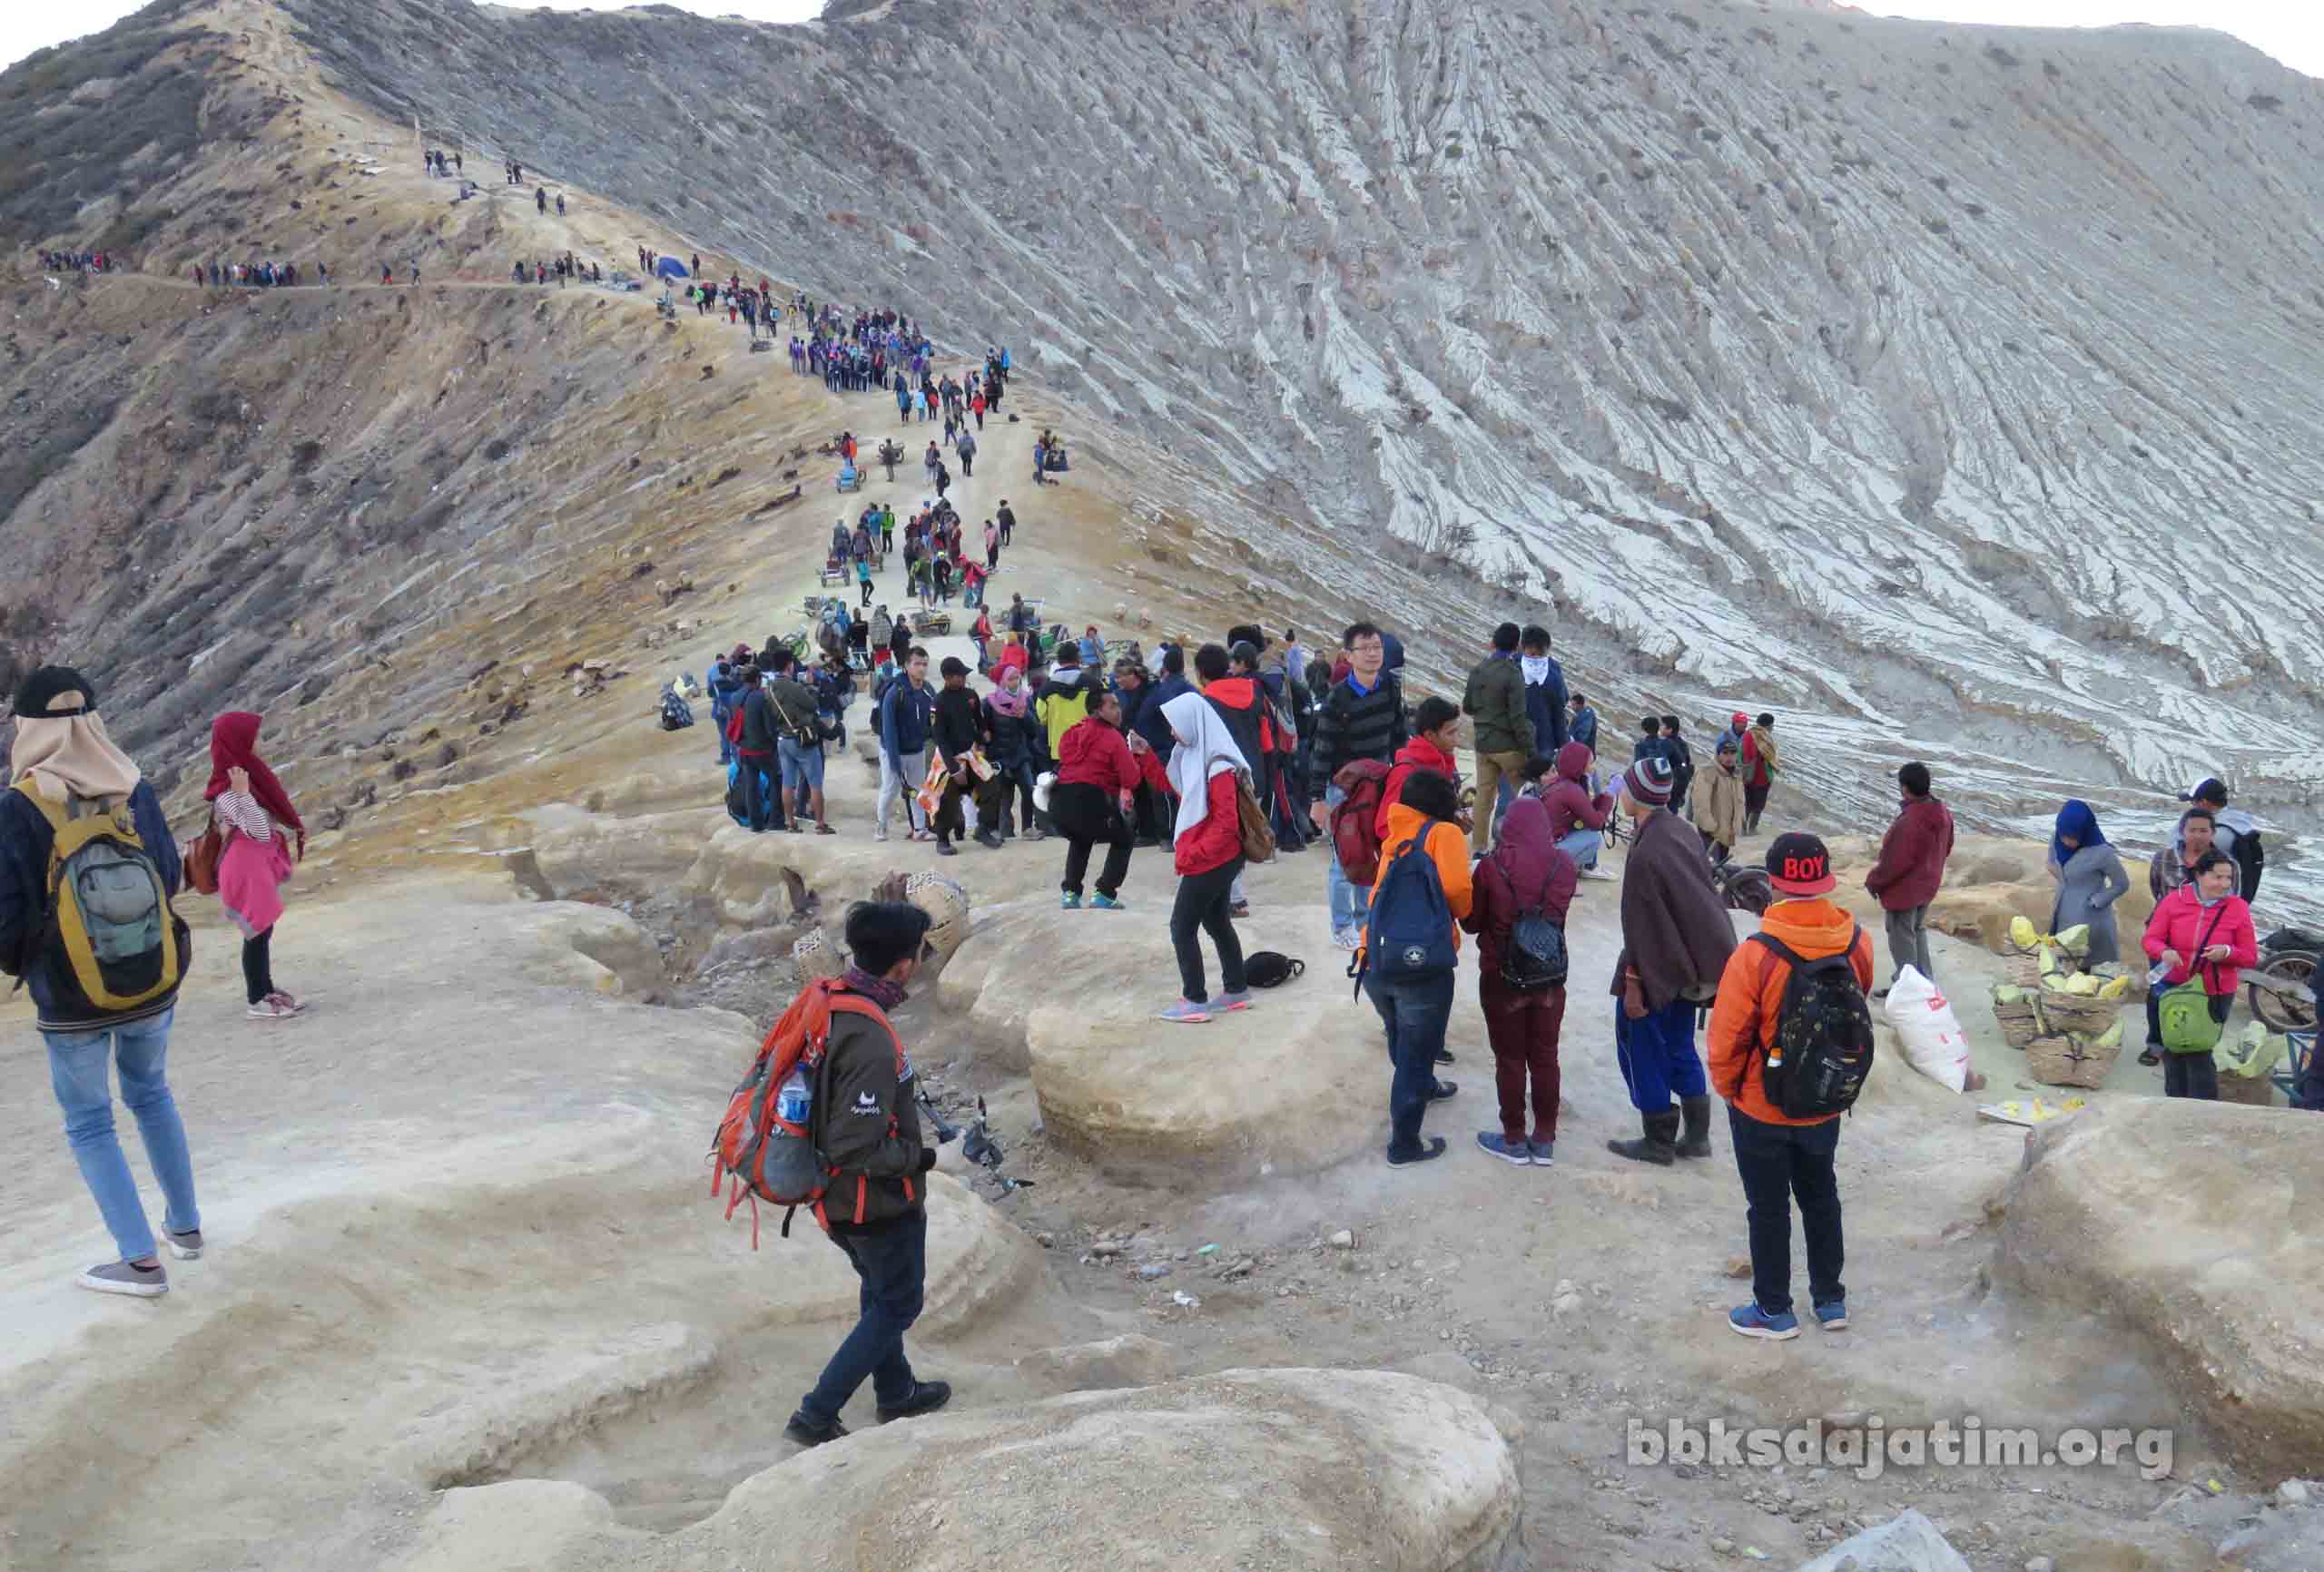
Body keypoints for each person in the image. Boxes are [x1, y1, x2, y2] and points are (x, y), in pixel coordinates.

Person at [2, 667, 202, 1298]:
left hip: (70, 1000)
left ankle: (140, 1262)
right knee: (151, 1095)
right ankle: (187, 1228)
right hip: (151, 981)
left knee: (90, 1122)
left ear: (27, 729)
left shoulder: (18, 806)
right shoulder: (131, 787)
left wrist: (37, 965)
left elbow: (6, 920)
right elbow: (168, 876)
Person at [783, 901, 952, 1448]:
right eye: (921, 951)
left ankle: (896, 1393)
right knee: (899, 1304)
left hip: (836, 1198)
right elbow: (855, 1143)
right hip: (871, 1201)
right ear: (903, 966)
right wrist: (919, 1160)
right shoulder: (870, 1038)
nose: (923, 960)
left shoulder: (837, 1003)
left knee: (880, 1292)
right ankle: (815, 1415)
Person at [1705, 833, 1871, 1340]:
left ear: (1773, 883)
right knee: (1822, 1194)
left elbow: (1728, 1036)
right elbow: (1855, 1003)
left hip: (1762, 1102)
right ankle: (1830, 1299)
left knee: (1769, 1206)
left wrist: (1732, 1090)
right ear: (1824, 879)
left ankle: (1774, 1309)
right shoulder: (1856, 940)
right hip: (1823, 1100)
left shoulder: (1756, 953)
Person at [1607, 758, 1738, 1165]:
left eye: (1625, 787)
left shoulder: (1647, 854)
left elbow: (1643, 928)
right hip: (1698, 961)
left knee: (1643, 1043)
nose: (1620, 793)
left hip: (1663, 965)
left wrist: (1633, 983)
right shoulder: (1680, 830)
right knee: (1680, 1043)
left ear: (1638, 796)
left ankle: (1658, 1141)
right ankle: (1697, 1138)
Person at [1462, 793, 1576, 1166]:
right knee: (1546, 1057)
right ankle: (1544, 1139)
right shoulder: (1565, 865)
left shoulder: (1491, 868)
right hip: (1548, 976)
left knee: (1509, 1059)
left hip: (1502, 976)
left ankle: (1513, 1138)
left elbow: (1471, 923)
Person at [1366, 769, 1472, 1165]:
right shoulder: (1443, 834)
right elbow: (1459, 890)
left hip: (1377, 959)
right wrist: (1462, 916)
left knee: (1399, 1032)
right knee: (1418, 1047)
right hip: (1422, 965)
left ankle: (1425, 1084)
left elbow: (1378, 894)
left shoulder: (1395, 836)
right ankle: (1404, 1144)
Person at [1306, 622, 1407, 950]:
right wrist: (1318, 798)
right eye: (1365, 648)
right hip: (1344, 788)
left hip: (1379, 784)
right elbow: (1321, 750)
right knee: (1343, 860)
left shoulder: (1390, 687)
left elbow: (1398, 734)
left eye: (1377, 647)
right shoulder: (1338, 700)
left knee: (1371, 855)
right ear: (1348, 656)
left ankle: (1366, 921)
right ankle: (1342, 926)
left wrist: (1402, 772)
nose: (1373, 654)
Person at [1157, 692, 1251, 1024]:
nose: (1172, 732)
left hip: (1214, 858)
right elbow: (1182, 792)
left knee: (1181, 925)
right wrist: (1144, 757)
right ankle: (1236, 989)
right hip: (1215, 857)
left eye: (1174, 725)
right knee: (1215, 920)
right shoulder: (1196, 753)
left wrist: (1194, 854)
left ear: (1192, 721)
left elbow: (1226, 824)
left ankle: (1195, 999)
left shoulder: (1219, 765)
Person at [207, 712, 308, 1018]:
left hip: (253, 865)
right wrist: (243, 796)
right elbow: (260, 832)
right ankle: (257, 999)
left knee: (264, 928)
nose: (259, 742)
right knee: (257, 931)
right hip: (243, 868)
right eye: (254, 736)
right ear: (238, 741)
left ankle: (267, 990)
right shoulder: (227, 789)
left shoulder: (247, 777)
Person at [2141, 850, 2257, 1100]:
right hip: (2174, 989)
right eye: (2218, 877)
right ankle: (2175, 1104)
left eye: (2229, 878)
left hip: (2214, 991)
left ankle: (2203, 1110)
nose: (2225, 884)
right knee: (2172, 1050)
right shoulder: (2173, 901)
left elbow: (2249, 956)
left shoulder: (2238, 908)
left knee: (2200, 1052)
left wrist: (2226, 952)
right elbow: (2151, 939)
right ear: (2199, 875)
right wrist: (2164, 951)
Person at [1863, 761, 1954, 997]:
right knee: (1917, 930)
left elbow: (1895, 862)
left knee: (1902, 938)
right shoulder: (1941, 811)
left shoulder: (1911, 821)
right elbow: (1948, 846)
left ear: (1905, 789)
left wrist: (1874, 882)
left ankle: (1911, 991)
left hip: (1906, 891)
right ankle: (1925, 982)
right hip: (1928, 883)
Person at [1052, 688, 1143, 909]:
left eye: (1118, 705)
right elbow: (1131, 778)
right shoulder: (1113, 737)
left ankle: (1071, 894)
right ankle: (1105, 892)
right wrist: (1136, 755)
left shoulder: (1073, 732)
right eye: (1112, 706)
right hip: (1090, 798)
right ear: (1097, 710)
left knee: (1081, 838)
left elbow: (1065, 759)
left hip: (1061, 800)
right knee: (1124, 837)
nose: (1118, 711)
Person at [1461, 622, 1531, 854]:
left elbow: (1468, 707)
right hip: (1508, 746)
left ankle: (1479, 849)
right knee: (1517, 793)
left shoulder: (1479, 669)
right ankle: (1508, 845)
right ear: (1517, 646)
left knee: (1483, 796)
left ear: (1493, 642)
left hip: (1483, 743)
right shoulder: (1513, 674)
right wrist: (1530, 751)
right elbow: (1518, 718)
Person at [2047, 800, 2129, 968]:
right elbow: (2050, 863)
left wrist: (2098, 900)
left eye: (2073, 837)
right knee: (2063, 964)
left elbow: (2121, 883)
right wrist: (2065, 882)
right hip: (2063, 911)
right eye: (2064, 836)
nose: (2067, 842)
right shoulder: (2056, 838)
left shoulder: (2102, 852)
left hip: (2092, 919)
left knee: (2089, 969)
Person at [765, 649, 834, 835]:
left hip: (783, 739)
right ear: (789, 665)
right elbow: (812, 705)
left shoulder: (770, 688)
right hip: (801, 739)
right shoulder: (793, 686)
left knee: (787, 783)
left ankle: (790, 823)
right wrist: (810, 687)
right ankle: (820, 824)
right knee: (815, 783)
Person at [1379, 696, 1462, 844]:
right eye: (1450, 733)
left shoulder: (1444, 763)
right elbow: (1384, 827)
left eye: (1457, 732)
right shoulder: (1405, 772)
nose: (1457, 740)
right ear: (1430, 735)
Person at [876, 650, 934, 843]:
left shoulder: (928, 690)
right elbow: (889, 730)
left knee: (918, 790)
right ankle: (881, 827)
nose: (922, 668)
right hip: (894, 750)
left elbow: (933, 721)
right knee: (890, 790)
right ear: (907, 666)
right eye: (917, 664)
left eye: (925, 664)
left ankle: (920, 829)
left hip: (916, 750)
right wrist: (894, 761)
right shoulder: (894, 693)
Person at [929, 658, 986, 856]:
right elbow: (940, 738)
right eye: (959, 676)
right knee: (946, 799)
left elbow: (979, 723)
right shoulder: (938, 702)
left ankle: (984, 830)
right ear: (947, 678)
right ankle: (942, 839)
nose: (963, 678)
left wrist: (983, 741)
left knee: (989, 789)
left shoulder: (971, 695)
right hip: (948, 757)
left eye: (964, 675)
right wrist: (953, 768)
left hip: (971, 752)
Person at [981, 665, 1044, 840]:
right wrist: (984, 738)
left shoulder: (1026, 700)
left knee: (1029, 789)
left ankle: (1027, 828)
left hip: (1020, 755)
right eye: (1011, 678)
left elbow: (1034, 732)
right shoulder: (989, 702)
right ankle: (1003, 831)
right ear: (1002, 681)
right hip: (998, 757)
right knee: (1002, 796)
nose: (1015, 682)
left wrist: (1024, 716)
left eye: (1017, 678)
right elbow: (982, 728)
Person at [1539, 741, 1616, 881]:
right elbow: (1597, 823)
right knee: (1594, 838)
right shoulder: (1572, 789)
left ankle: (1559, 869)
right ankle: (1558, 873)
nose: (1593, 767)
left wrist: (1602, 797)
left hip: (1541, 845)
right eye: (1591, 762)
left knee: (1586, 831)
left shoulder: (1559, 781)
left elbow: (1586, 811)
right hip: (1547, 851)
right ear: (1579, 764)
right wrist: (1610, 795)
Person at [734, 668, 786, 834]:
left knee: (751, 785)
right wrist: (774, 740)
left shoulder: (735, 697)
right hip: (762, 749)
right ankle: (775, 821)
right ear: (757, 679)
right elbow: (769, 727)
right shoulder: (760, 697)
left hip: (744, 749)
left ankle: (756, 824)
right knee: (776, 780)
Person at [2150, 806, 2237, 903]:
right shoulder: (2162, 858)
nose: (2197, 836)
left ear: (2213, 833)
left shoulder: (2229, 864)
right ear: (2182, 832)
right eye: (2192, 830)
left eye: (2203, 831)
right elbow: (2156, 892)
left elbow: (2232, 901)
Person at [1036, 646, 1094, 761]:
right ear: (1078, 659)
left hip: (1060, 748)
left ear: (1059, 661)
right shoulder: (1095, 683)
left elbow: (1042, 717)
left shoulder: (1046, 688)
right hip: (1089, 746)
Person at [1692, 739, 1747, 863]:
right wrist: (1710, 826)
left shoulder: (1736, 774)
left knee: (1720, 867)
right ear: (1718, 754)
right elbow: (1700, 802)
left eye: (1733, 753)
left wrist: (1739, 822)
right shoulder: (1707, 771)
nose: (1730, 757)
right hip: (1711, 831)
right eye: (1725, 753)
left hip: (1726, 831)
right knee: (1709, 868)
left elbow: (1739, 801)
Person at [1521, 625, 1568, 757]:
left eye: (1541, 654)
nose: (1536, 659)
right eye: (1532, 654)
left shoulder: (1554, 678)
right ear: (1522, 648)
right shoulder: (1512, 669)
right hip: (1515, 743)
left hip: (1543, 745)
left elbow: (1559, 714)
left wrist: (1563, 747)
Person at [1740, 713, 1780, 835]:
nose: (1773, 727)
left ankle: (1743, 829)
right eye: (1772, 724)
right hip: (1761, 776)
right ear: (1768, 725)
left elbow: (1740, 753)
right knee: (1758, 805)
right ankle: (1752, 828)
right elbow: (1770, 756)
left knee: (1747, 802)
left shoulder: (1747, 734)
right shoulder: (1765, 737)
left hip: (1746, 775)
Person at [1659, 716, 1695, 819]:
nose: (1660, 728)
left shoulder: (1666, 743)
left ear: (1669, 729)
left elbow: (1660, 763)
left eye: (1663, 726)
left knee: (1660, 813)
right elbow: (1687, 762)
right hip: (1680, 785)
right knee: (1672, 813)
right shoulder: (1683, 744)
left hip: (1668, 783)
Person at [1568, 693, 1600, 757]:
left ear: (1579, 705)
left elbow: (1582, 737)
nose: (1571, 707)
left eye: (1573, 705)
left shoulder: (1586, 717)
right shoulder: (1584, 712)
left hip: (1584, 754)